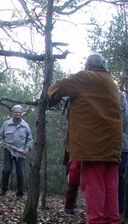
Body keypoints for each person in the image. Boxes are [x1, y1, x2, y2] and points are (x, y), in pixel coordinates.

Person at [47, 53, 122, 224]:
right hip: (113, 145)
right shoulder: (111, 83)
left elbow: (59, 86)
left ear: (88, 66)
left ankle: (95, 221)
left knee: (93, 186)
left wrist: (51, 99)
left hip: (93, 145)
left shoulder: (86, 77)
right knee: (110, 187)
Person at [0, 105, 33, 199]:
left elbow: (30, 140)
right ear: (12, 113)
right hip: (8, 150)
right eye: (16, 112)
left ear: (21, 114)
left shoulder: (25, 126)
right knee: (6, 170)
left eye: (19, 112)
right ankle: (3, 189)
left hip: (21, 152)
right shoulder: (6, 124)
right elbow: (0, 137)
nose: (17, 114)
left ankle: (20, 194)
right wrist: (4, 145)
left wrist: (27, 149)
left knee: (20, 173)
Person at [118, 91, 128, 222]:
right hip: (121, 145)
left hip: (121, 145)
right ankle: (120, 212)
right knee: (118, 178)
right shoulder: (120, 96)